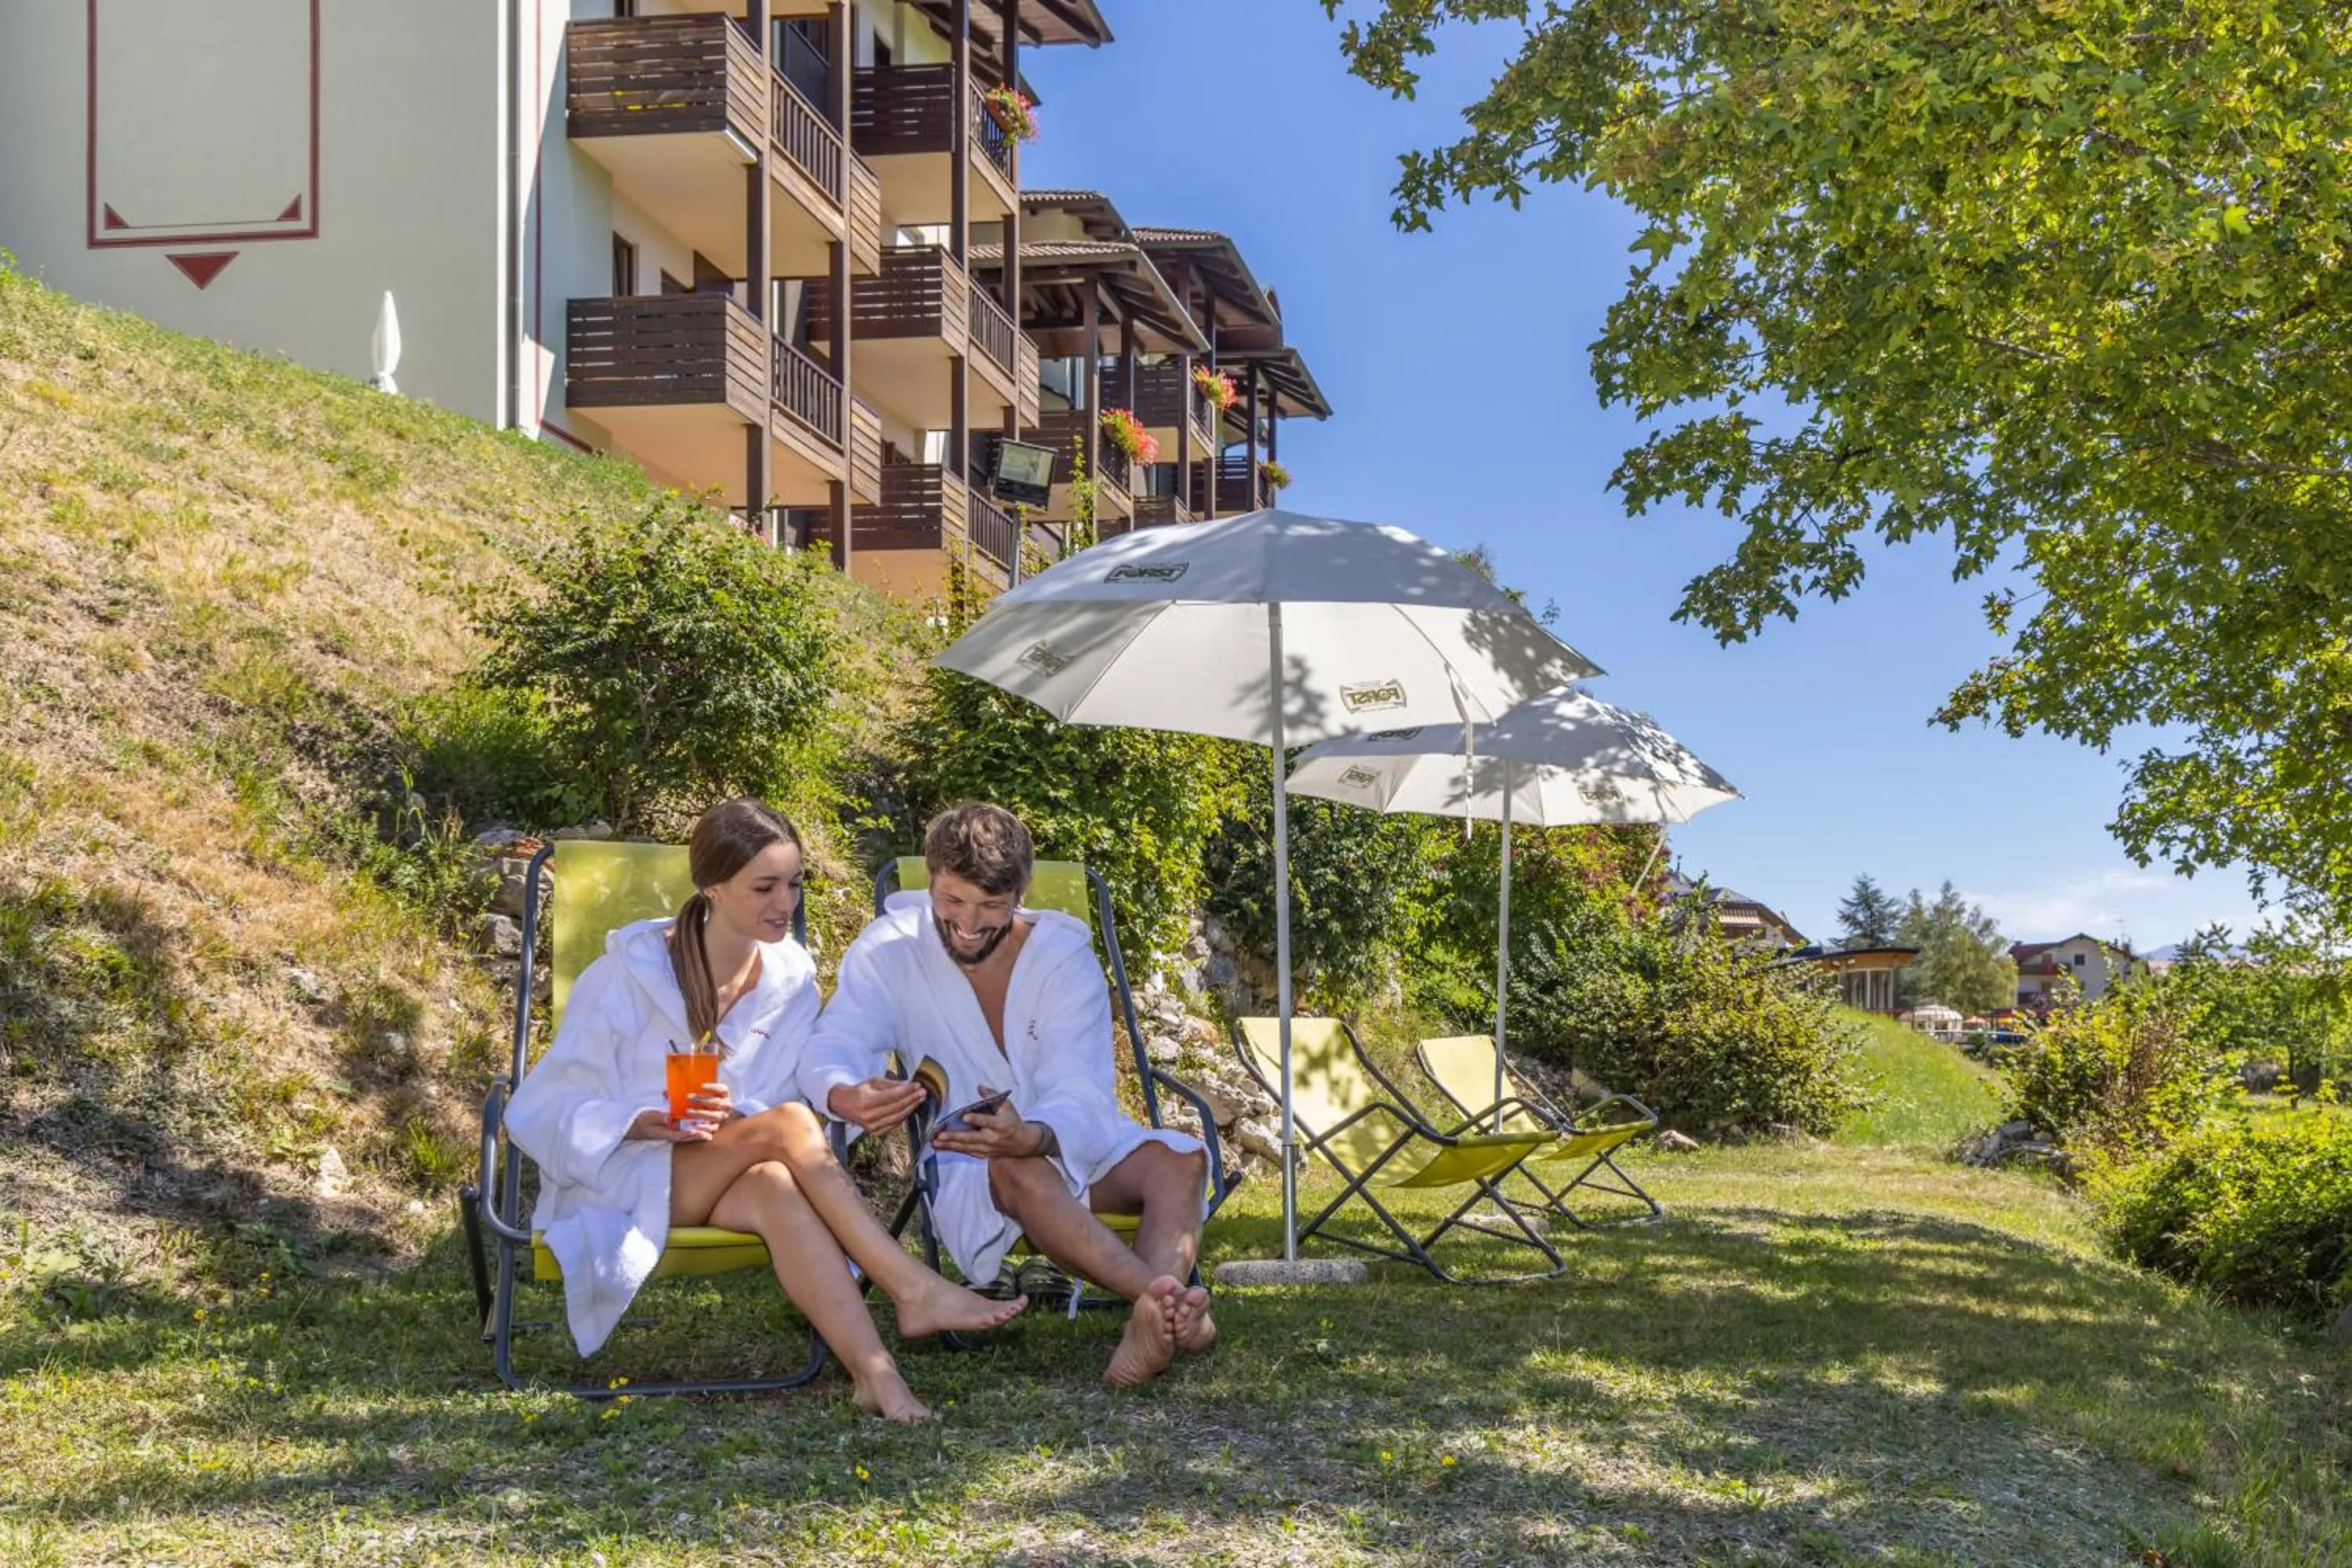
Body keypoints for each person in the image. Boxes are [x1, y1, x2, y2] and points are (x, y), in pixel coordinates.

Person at [505, 797, 1025, 1422]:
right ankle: (911, 1287)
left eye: (795, 884)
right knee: (786, 1127)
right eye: (766, 887)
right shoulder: (626, 977)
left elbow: (800, 1091)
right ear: (714, 888)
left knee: (776, 1182)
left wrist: (835, 1098)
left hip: (721, 1169)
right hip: (623, 1173)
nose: (787, 904)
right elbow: (541, 1105)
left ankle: (876, 1377)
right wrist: (641, 1119)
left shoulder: (788, 979)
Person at [803, 802, 1214, 1388]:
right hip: (970, 1165)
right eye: (951, 902)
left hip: (1076, 1136)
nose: (967, 925)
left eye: (991, 907)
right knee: (1018, 1168)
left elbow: (1082, 1086)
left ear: (1021, 893)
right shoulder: (892, 947)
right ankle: (1164, 1302)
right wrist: (844, 1092)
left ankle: (1151, 1320)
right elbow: (834, 1040)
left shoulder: (1063, 958)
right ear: (930, 881)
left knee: (1180, 1160)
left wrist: (1035, 1134)